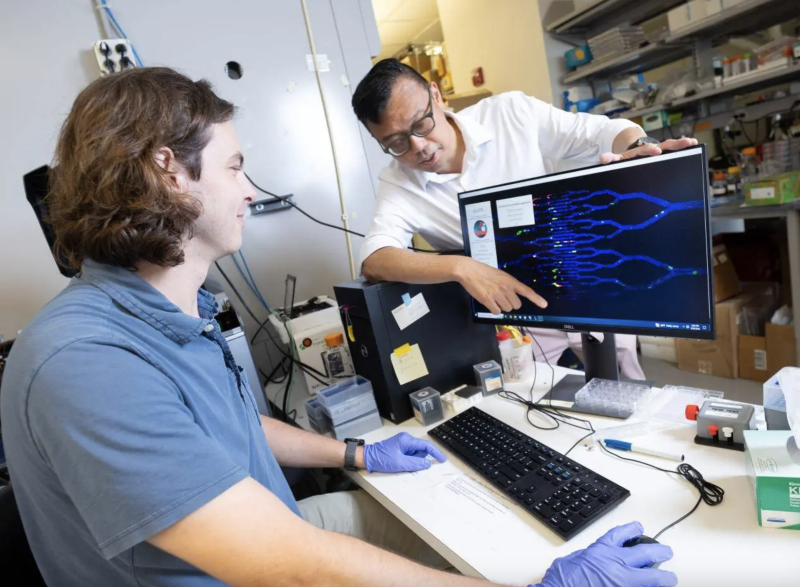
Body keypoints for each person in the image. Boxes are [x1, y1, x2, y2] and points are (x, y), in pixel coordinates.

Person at [1, 67, 677, 587]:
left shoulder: (174, 317)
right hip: (263, 561)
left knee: (480, 527)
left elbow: (226, 428)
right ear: (169, 172)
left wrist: (357, 456)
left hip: (275, 531)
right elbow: (287, 563)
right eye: (236, 167)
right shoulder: (89, 358)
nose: (249, 192)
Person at [351, 59, 699, 379]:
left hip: (583, 276)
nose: (418, 147)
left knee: (621, 383)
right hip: (513, 312)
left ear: (437, 97)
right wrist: (462, 267)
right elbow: (374, 259)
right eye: (396, 142)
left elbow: (603, 131)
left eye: (420, 124)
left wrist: (642, 147)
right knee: (532, 402)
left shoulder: (509, 113)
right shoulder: (399, 183)